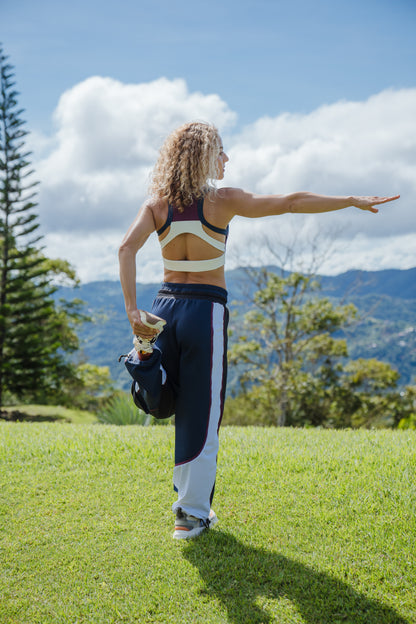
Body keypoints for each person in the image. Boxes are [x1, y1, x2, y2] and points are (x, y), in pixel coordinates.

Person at [118, 121, 399, 539]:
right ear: (203, 157)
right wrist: (348, 201)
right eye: (221, 151)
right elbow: (290, 202)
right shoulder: (222, 200)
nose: (226, 159)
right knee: (203, 412)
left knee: (171, 398)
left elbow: (126, 247)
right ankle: (190, 516)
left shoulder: (157, 204)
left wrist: (131, 309)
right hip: (203, 314)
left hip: (162, 311)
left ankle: (186, 498)